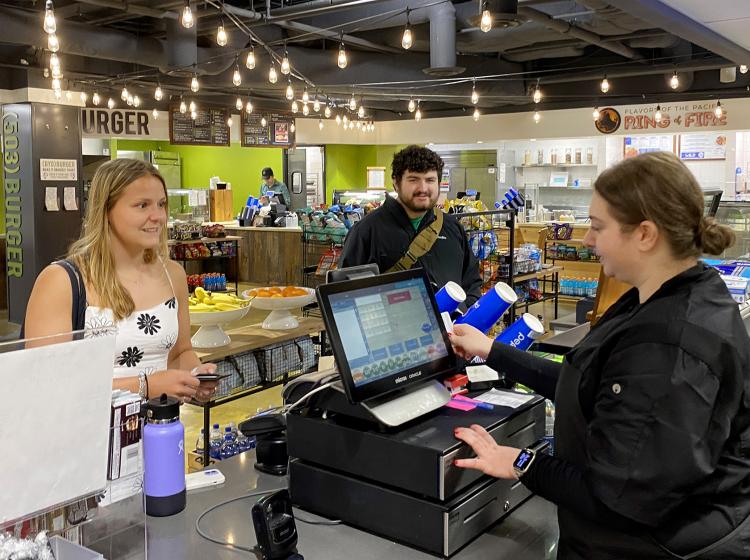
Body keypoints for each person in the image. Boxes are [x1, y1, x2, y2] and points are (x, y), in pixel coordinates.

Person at [449, 151, 750, 559]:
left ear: (645, 234)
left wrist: (521, 462)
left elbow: (620, 498)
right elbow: (589, 383)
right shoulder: (676, 292)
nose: (588, 240)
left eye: (597, 227)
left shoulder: (668, 348)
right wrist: (493, 351)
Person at [24, 158, 218, 403]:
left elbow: (181, 352)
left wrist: (195, 376)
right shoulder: (61, 282)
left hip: (159, 432)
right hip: (90, 436)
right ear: (106, 211)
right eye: (142, 205)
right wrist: (145, 386)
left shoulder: (173, 275)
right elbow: (45, 382)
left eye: (161, 204)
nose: (157, 216)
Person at [340, 145, 482, 308]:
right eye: (413, 179)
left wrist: (463, 317)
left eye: (430, 180)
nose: (423, 188)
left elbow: (472, 283)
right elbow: (345, 296)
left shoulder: (452, 228)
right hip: (393, 331)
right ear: (396, 183)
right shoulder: (366, 232)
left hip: (452, 331)